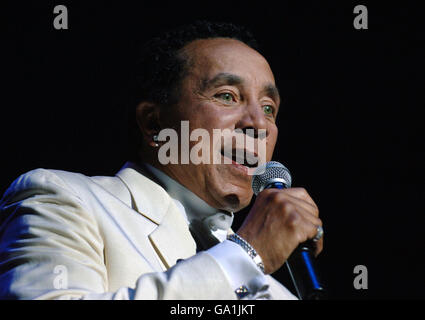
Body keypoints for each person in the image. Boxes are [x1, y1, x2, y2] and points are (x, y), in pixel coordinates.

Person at [0, 21, 323, 300]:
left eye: (269, 108)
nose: (258, 124)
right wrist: (247, 253)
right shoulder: (61, 198)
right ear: (154, 123)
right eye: (227, 96)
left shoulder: (275, 291)